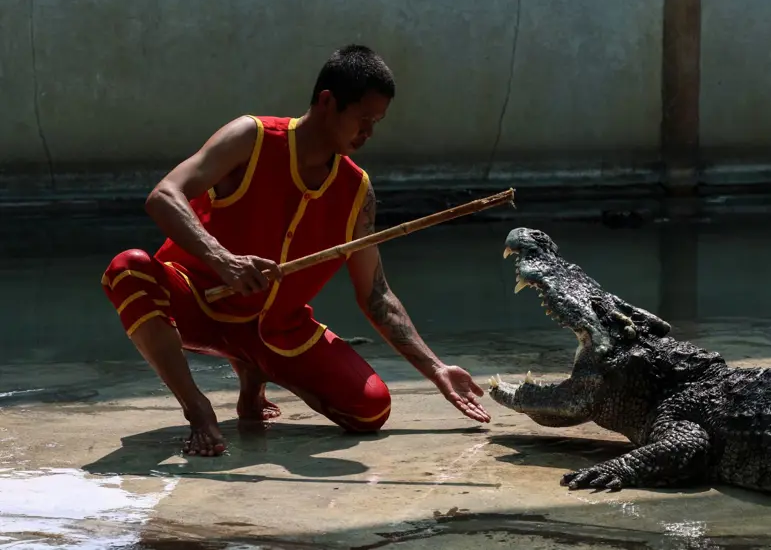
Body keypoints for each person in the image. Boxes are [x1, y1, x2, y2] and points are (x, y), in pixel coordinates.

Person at [100, 44, 491, 456]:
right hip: (197, 301)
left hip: (277, 329)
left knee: (370, 411)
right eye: (363, 119)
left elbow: (375, 293)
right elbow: (164, 195)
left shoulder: (356, 190)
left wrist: (436, 368)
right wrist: (222, 259)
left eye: (376, 123)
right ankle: (197, 407)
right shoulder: (250, 138)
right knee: (128, 269)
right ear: (327, 102)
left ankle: (253, 368)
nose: (368, 134)